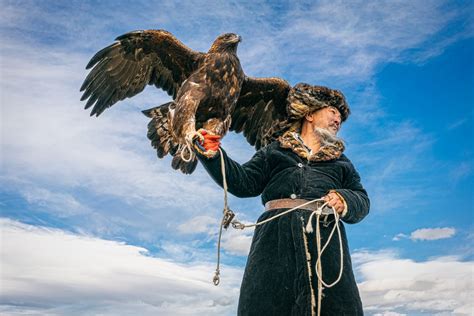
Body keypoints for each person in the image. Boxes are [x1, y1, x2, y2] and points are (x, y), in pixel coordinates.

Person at [193, 83, 369, 316]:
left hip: (326, 243)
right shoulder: (274, 151)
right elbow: (243, 182)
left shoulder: (342, 162)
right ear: (309, 114)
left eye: (341, 117)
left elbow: (362, 200)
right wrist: (214, 155)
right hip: (274, 241)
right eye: (333, 111)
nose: (338, 119)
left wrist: (344, 198)